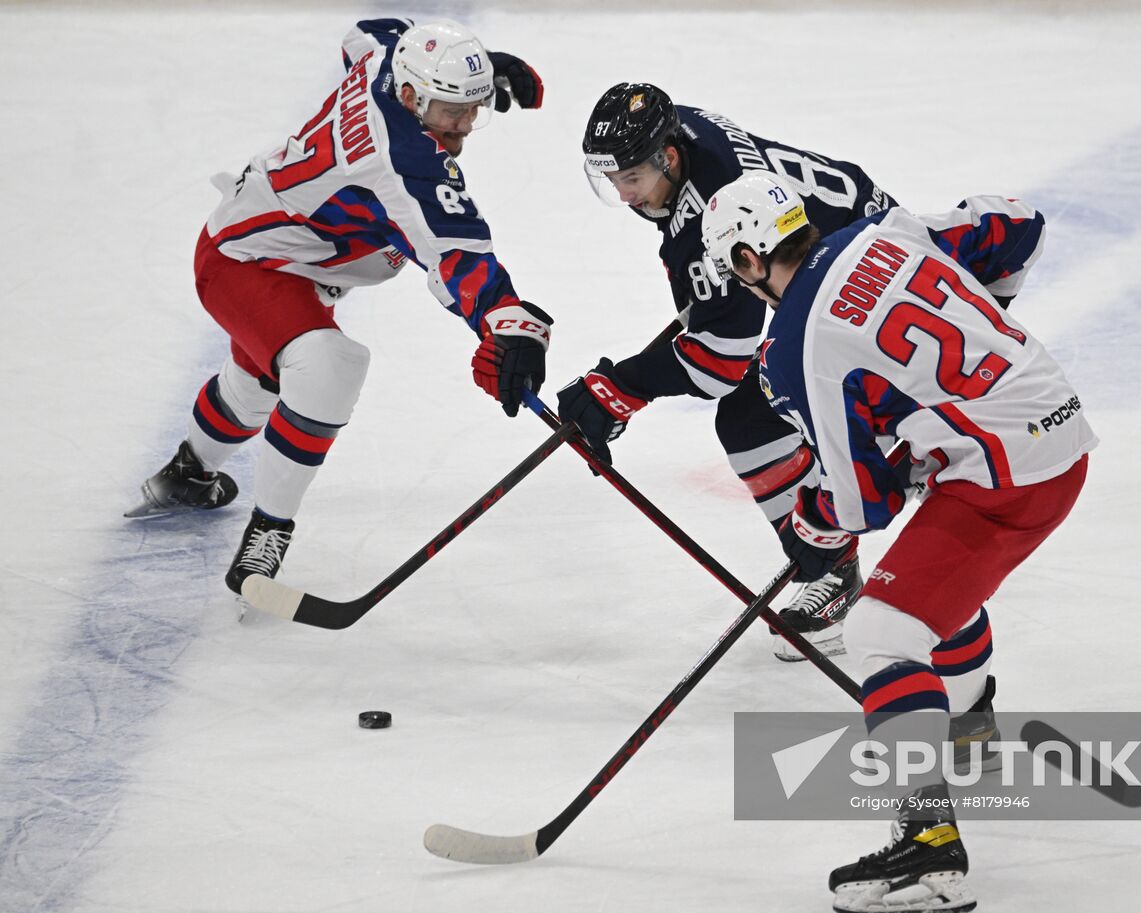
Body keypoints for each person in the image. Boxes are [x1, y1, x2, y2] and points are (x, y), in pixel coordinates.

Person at [701, 172, 1097, 913]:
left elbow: (863, 502)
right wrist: (985, 331)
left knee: (881, 629)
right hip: (1061, 432)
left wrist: (814, 522)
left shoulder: (793, 349)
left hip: (1002, 476)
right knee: (924, 591)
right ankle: (971, 726)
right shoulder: (887, 229)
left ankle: (928, 843)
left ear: (750, 260)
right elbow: (1017, 223)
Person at [126, 18, 552, 599]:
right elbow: (458, 258)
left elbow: (370, 31)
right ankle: (265, 537)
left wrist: (476, 68)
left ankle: (187, 473)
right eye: (453, 109)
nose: (467, 124)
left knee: (259, 384)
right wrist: (509, 326)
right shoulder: (403, 162)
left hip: (282, 253)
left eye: (473, 105)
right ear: (409, 96)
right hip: (243, 262)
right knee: (327, 368)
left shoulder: (388, 60)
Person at [557, 83, 897, 661]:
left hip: (867, 298)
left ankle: (834, 570)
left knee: (750, 419)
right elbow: (715, 310)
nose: (623, 193)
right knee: (756, 398)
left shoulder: (712, 206)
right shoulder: (681, 135)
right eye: (611, 179)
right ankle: (831, 546)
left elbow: (720, 360)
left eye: (631, 179)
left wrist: (621, 388)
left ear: (666, 158)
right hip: (864, 258)